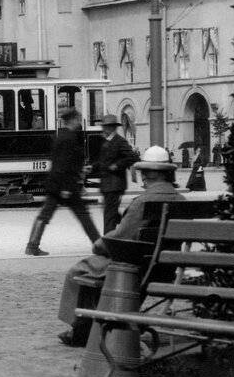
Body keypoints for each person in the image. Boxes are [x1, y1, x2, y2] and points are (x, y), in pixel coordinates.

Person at [56, 146, 185, 346]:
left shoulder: (143, 202)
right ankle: (89, 326)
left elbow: (121, 238)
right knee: (91, 270)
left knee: (79, 271)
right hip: (163, 269)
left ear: (146, 175)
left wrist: (99, 244)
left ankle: (80, 330)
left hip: (134, 267)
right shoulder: (181, 200)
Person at [24, 108, 101, 256]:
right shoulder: (69, 138)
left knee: (45, 215)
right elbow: (64, 164)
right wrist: (66, 187)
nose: (79, 121)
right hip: (66, 185)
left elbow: (61, 163)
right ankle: (99, 245)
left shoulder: (62, 135)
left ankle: (32, 245)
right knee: (83, 215)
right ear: (72, 120)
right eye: (78, 118)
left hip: (57, 184)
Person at [92, 113, 139, 234]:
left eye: (107, 126)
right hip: (107, 184)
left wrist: (117, 165)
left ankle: (108, 240)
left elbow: (132, 157)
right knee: (110, 213)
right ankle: (130, 225)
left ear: (113, 127)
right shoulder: (105, 141)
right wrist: (91, 167)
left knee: (109, 214)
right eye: (104, 126)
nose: (104, 129)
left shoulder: (119, 141)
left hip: (115, 184)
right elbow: (102, 161)